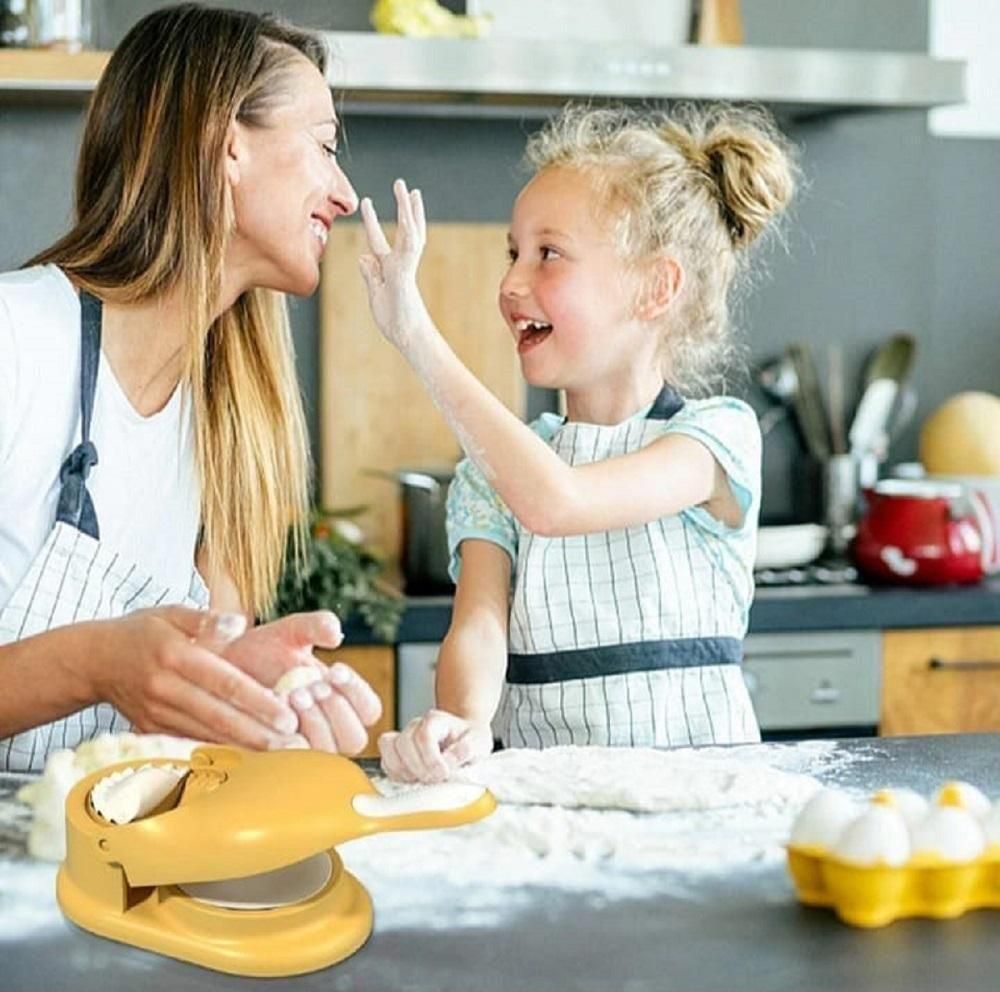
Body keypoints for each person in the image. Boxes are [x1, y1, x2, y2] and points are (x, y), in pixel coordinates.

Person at [359, 104, 797, 782]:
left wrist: (418, 337)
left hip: (703, 800)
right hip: (545, 806)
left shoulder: (714, 439)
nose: (511, 282)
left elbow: (558, 502)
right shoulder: (492, 472)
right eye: (514, 253)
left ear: (657, 286)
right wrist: (463, 721)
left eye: (548, 254)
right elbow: (478, 625)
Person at [0, 3, 382, 772]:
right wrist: (95, 662)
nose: (343, 193)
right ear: (225, 142)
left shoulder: (226, 424)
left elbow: (172, 741)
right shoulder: (16, 340)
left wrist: (245, 688)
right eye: (324, 145)